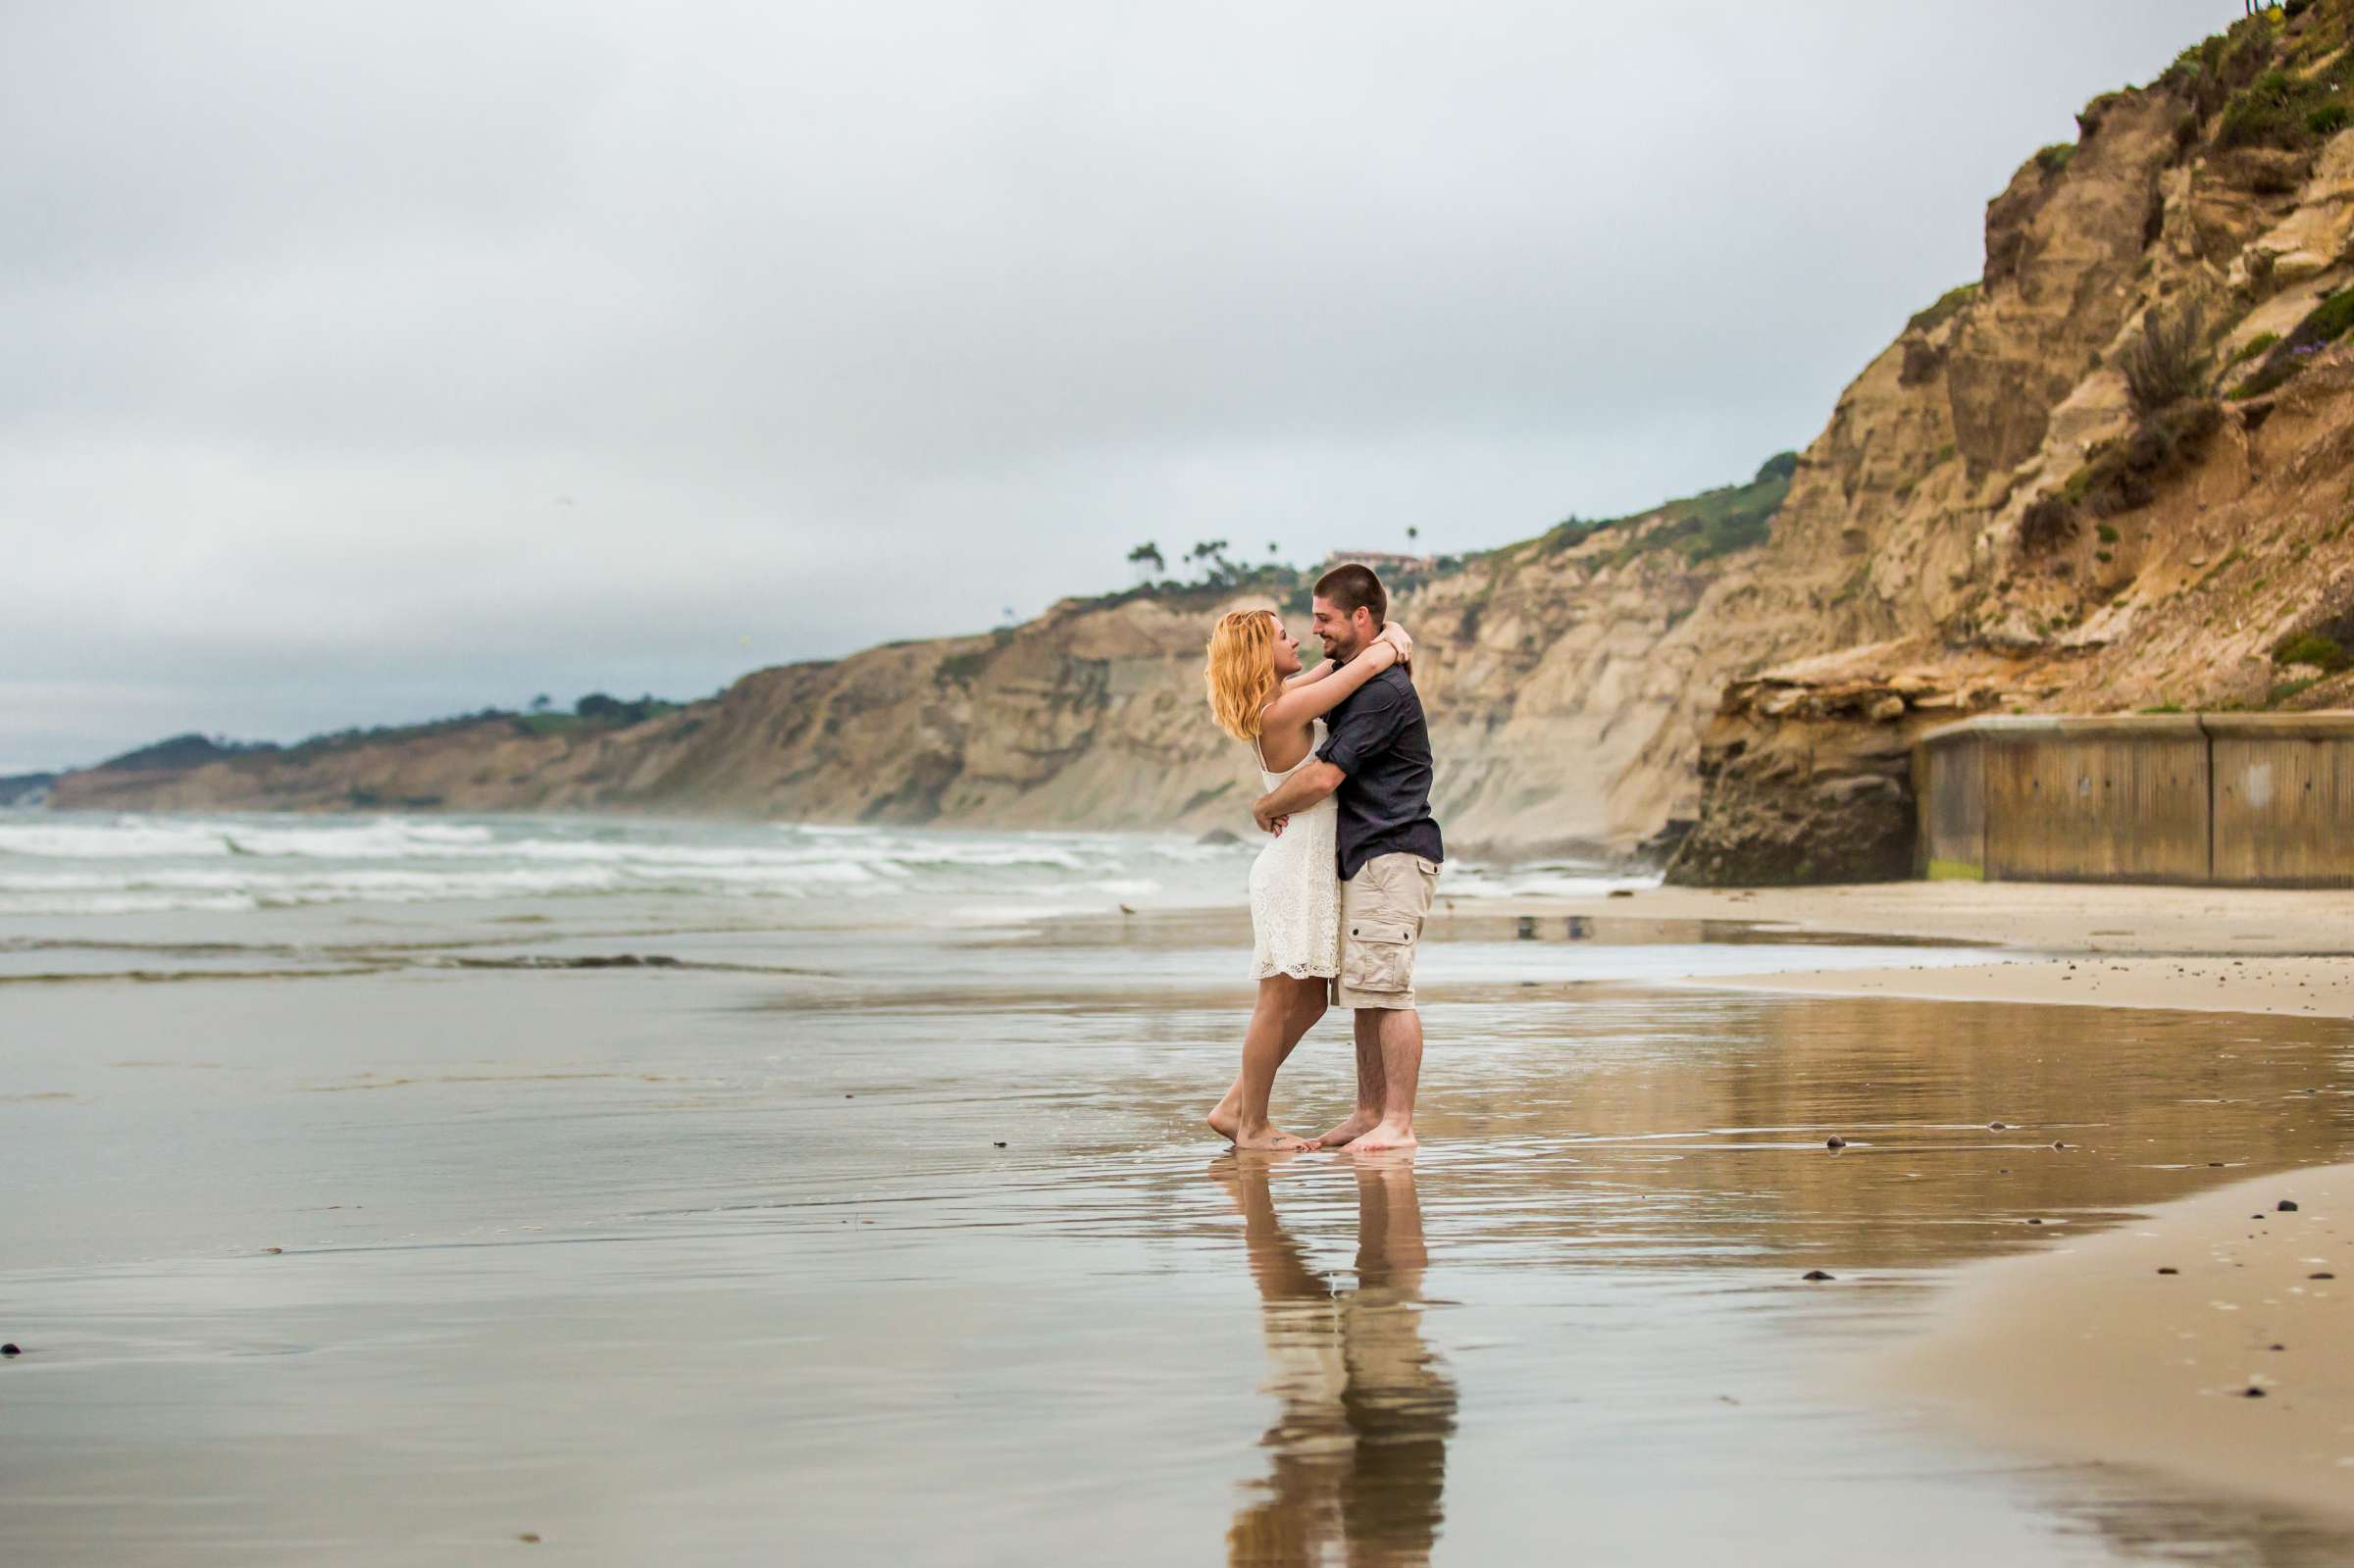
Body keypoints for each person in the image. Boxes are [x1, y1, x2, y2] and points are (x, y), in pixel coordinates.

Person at [1202, 605, 1413, 1150]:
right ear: (1258, 655)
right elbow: (1358, 673)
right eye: (1281, 636)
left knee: (1314, 1001)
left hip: (1308, 866)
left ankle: (1233, 1107)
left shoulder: (1283, 700)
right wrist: (1391, 644)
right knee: (1275, 1002)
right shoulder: (1281, 712)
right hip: (1292, 869)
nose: (1297, 639)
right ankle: (1252, 1126)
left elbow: (1333, 671)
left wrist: (1391, 638)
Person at [1251, 564, 1443, 1153]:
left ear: (1361, 617)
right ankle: (1368, 1113)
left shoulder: (1382, 692)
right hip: (1364, 856)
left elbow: (1326, 775)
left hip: (1391, 851)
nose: (1314, 631)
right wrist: (1389, 641)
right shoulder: (1358, 677)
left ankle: (1398, 1122)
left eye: (1325, 619)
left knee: (1390, 992)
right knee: (1366, 991)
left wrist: (1267, 806)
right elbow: (1337, 671)